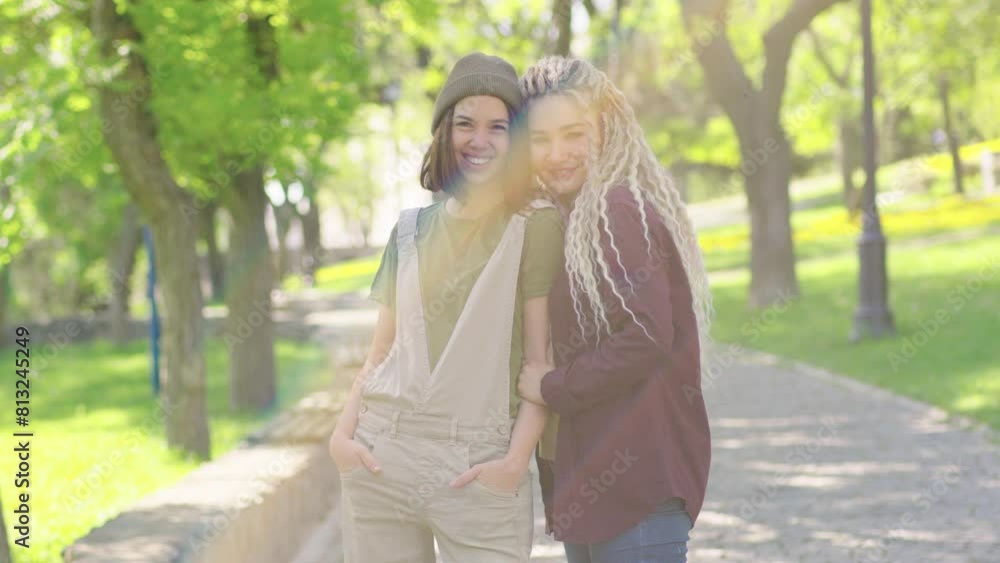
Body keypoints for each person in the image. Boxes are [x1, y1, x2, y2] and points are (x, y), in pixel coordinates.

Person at [327, 52, 565, 563]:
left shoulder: (536, 224)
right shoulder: (410, 230)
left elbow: (539, 366)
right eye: (465, 124)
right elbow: (380, 353)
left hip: (479, 466)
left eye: (498, 127)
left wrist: (513, 463)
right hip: (380, 458)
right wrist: (341, 438)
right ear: (444, 132)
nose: (479, 140)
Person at [516, 56, 713, 563]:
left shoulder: (617, 208)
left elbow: (645, 335)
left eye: (574, 134)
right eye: (540, 139)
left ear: (607, 129)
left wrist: (551, 387)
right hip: (598, 487)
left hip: (637, 488)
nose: (557, 154)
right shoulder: (573, 219)